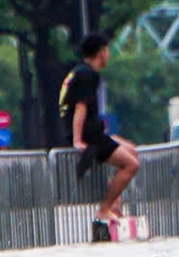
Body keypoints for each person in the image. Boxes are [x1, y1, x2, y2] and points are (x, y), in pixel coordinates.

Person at [60, 34, 141, 221]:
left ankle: (116, 208)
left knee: (131, 150)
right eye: (108, 50)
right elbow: (81, 107)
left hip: (94, 131)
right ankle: (104, 209)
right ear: (102, 52)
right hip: (90, 135)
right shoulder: (88, 75)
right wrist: (77, 139)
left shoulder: (77, 72)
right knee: (131, 165)